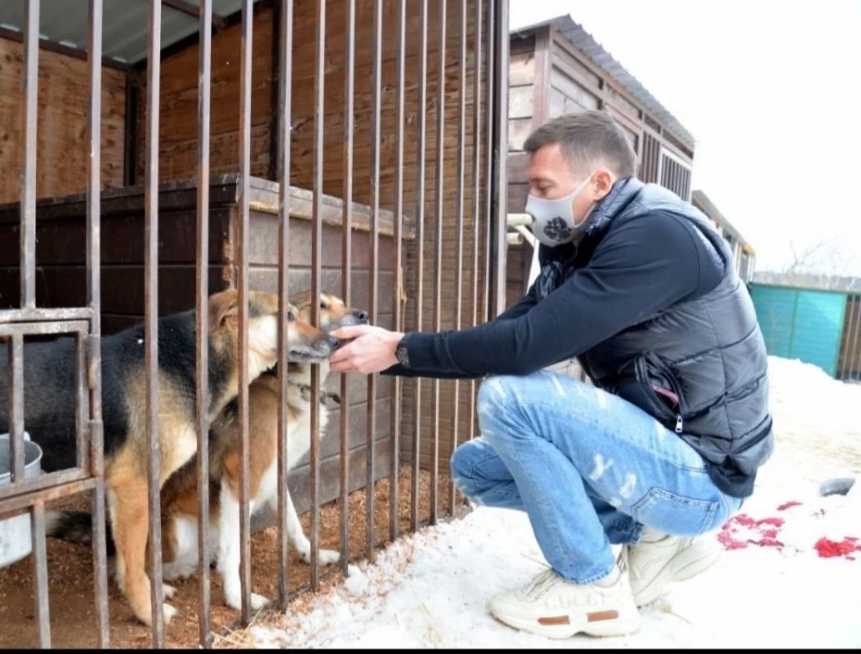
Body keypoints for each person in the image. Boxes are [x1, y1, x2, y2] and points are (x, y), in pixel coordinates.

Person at [328, 109, 773, 639]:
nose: (532, 203)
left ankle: (591, 585)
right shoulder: (579, 245)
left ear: (600, 182)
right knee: (476, 468)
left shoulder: (659, 237)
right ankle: (660, 535)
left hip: (703, 474)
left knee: (510, 400)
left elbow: (525, 349)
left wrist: (401, 349)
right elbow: (511, 332)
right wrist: (390, 353)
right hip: (664, 450)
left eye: (543, 186)